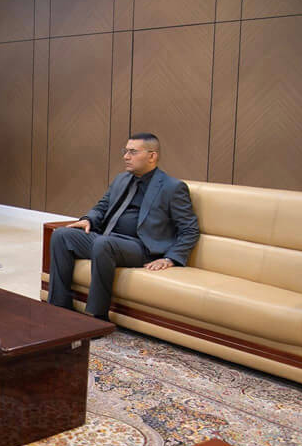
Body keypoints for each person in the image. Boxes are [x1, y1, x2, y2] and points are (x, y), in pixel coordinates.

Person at [47, 132, 200, 320]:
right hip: (108, 239)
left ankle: (97, 316)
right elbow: (102, 207)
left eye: (133, 152)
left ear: (152, 156)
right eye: (125, 151)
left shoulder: (172, 187)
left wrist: (170, 258)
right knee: (62, 235)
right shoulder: (121, 179)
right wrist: (89, 219)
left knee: (103, 244)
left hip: (141, 247)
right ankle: (59, 307)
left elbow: (190, 229)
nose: (126, 157)